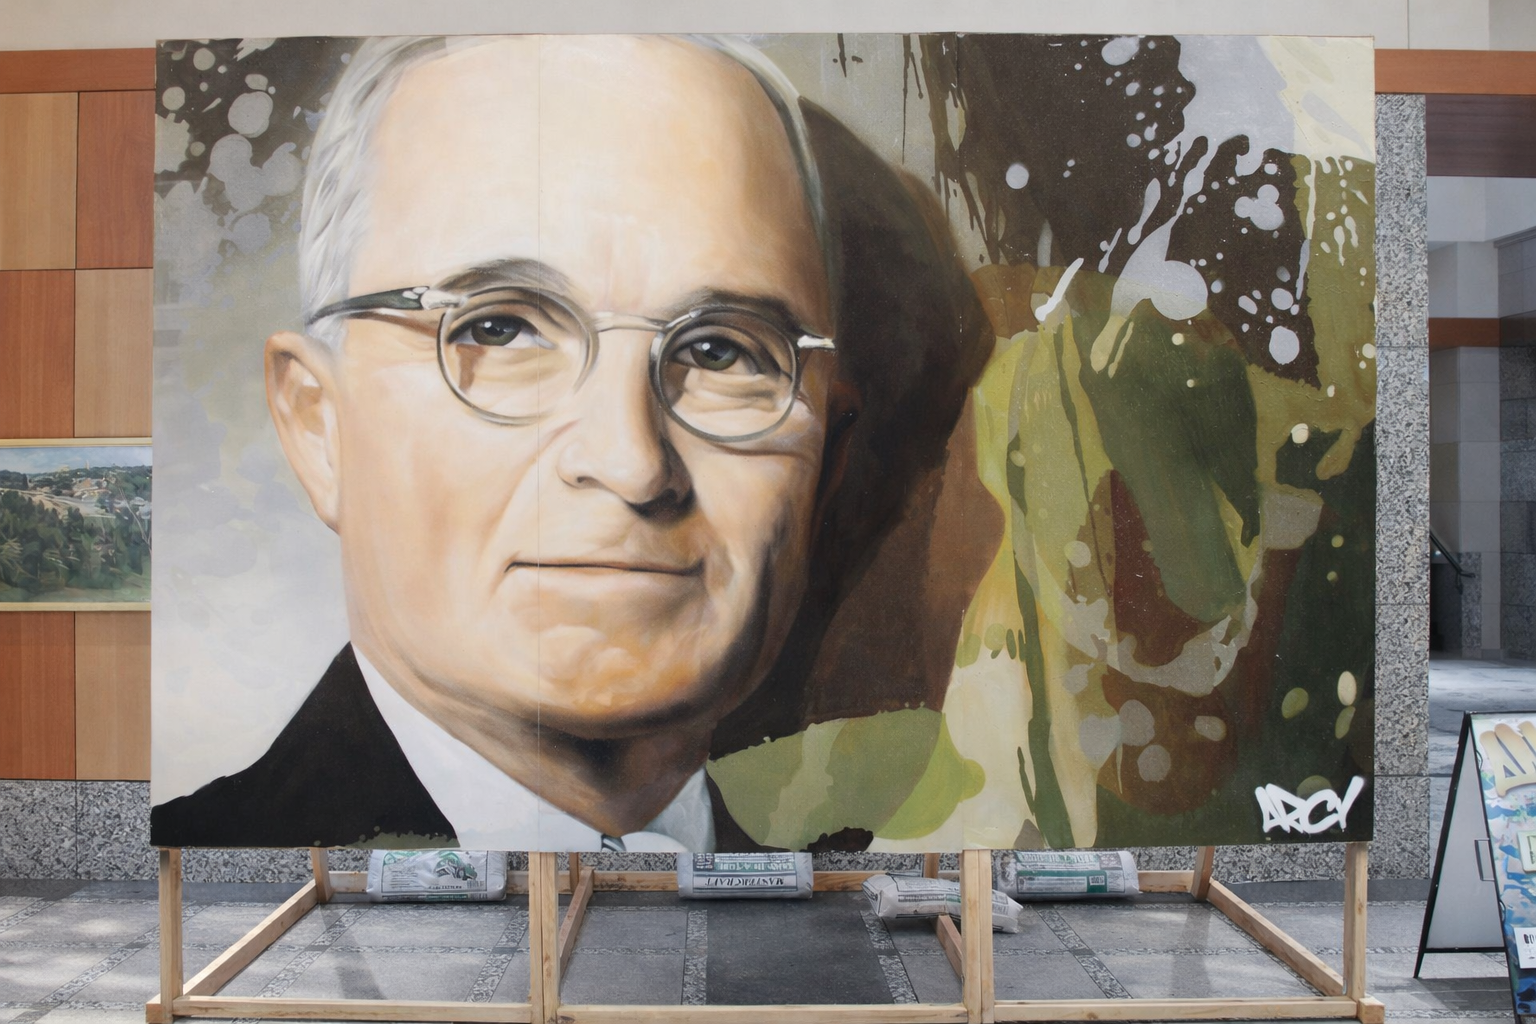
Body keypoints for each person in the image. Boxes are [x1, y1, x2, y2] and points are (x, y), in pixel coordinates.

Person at [151, 33, 991, 853]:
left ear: (828, 463)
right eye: (501, 328)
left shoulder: (834, 920)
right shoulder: (214, 881)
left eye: (720, 350)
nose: (630, 460)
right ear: (317, 427)